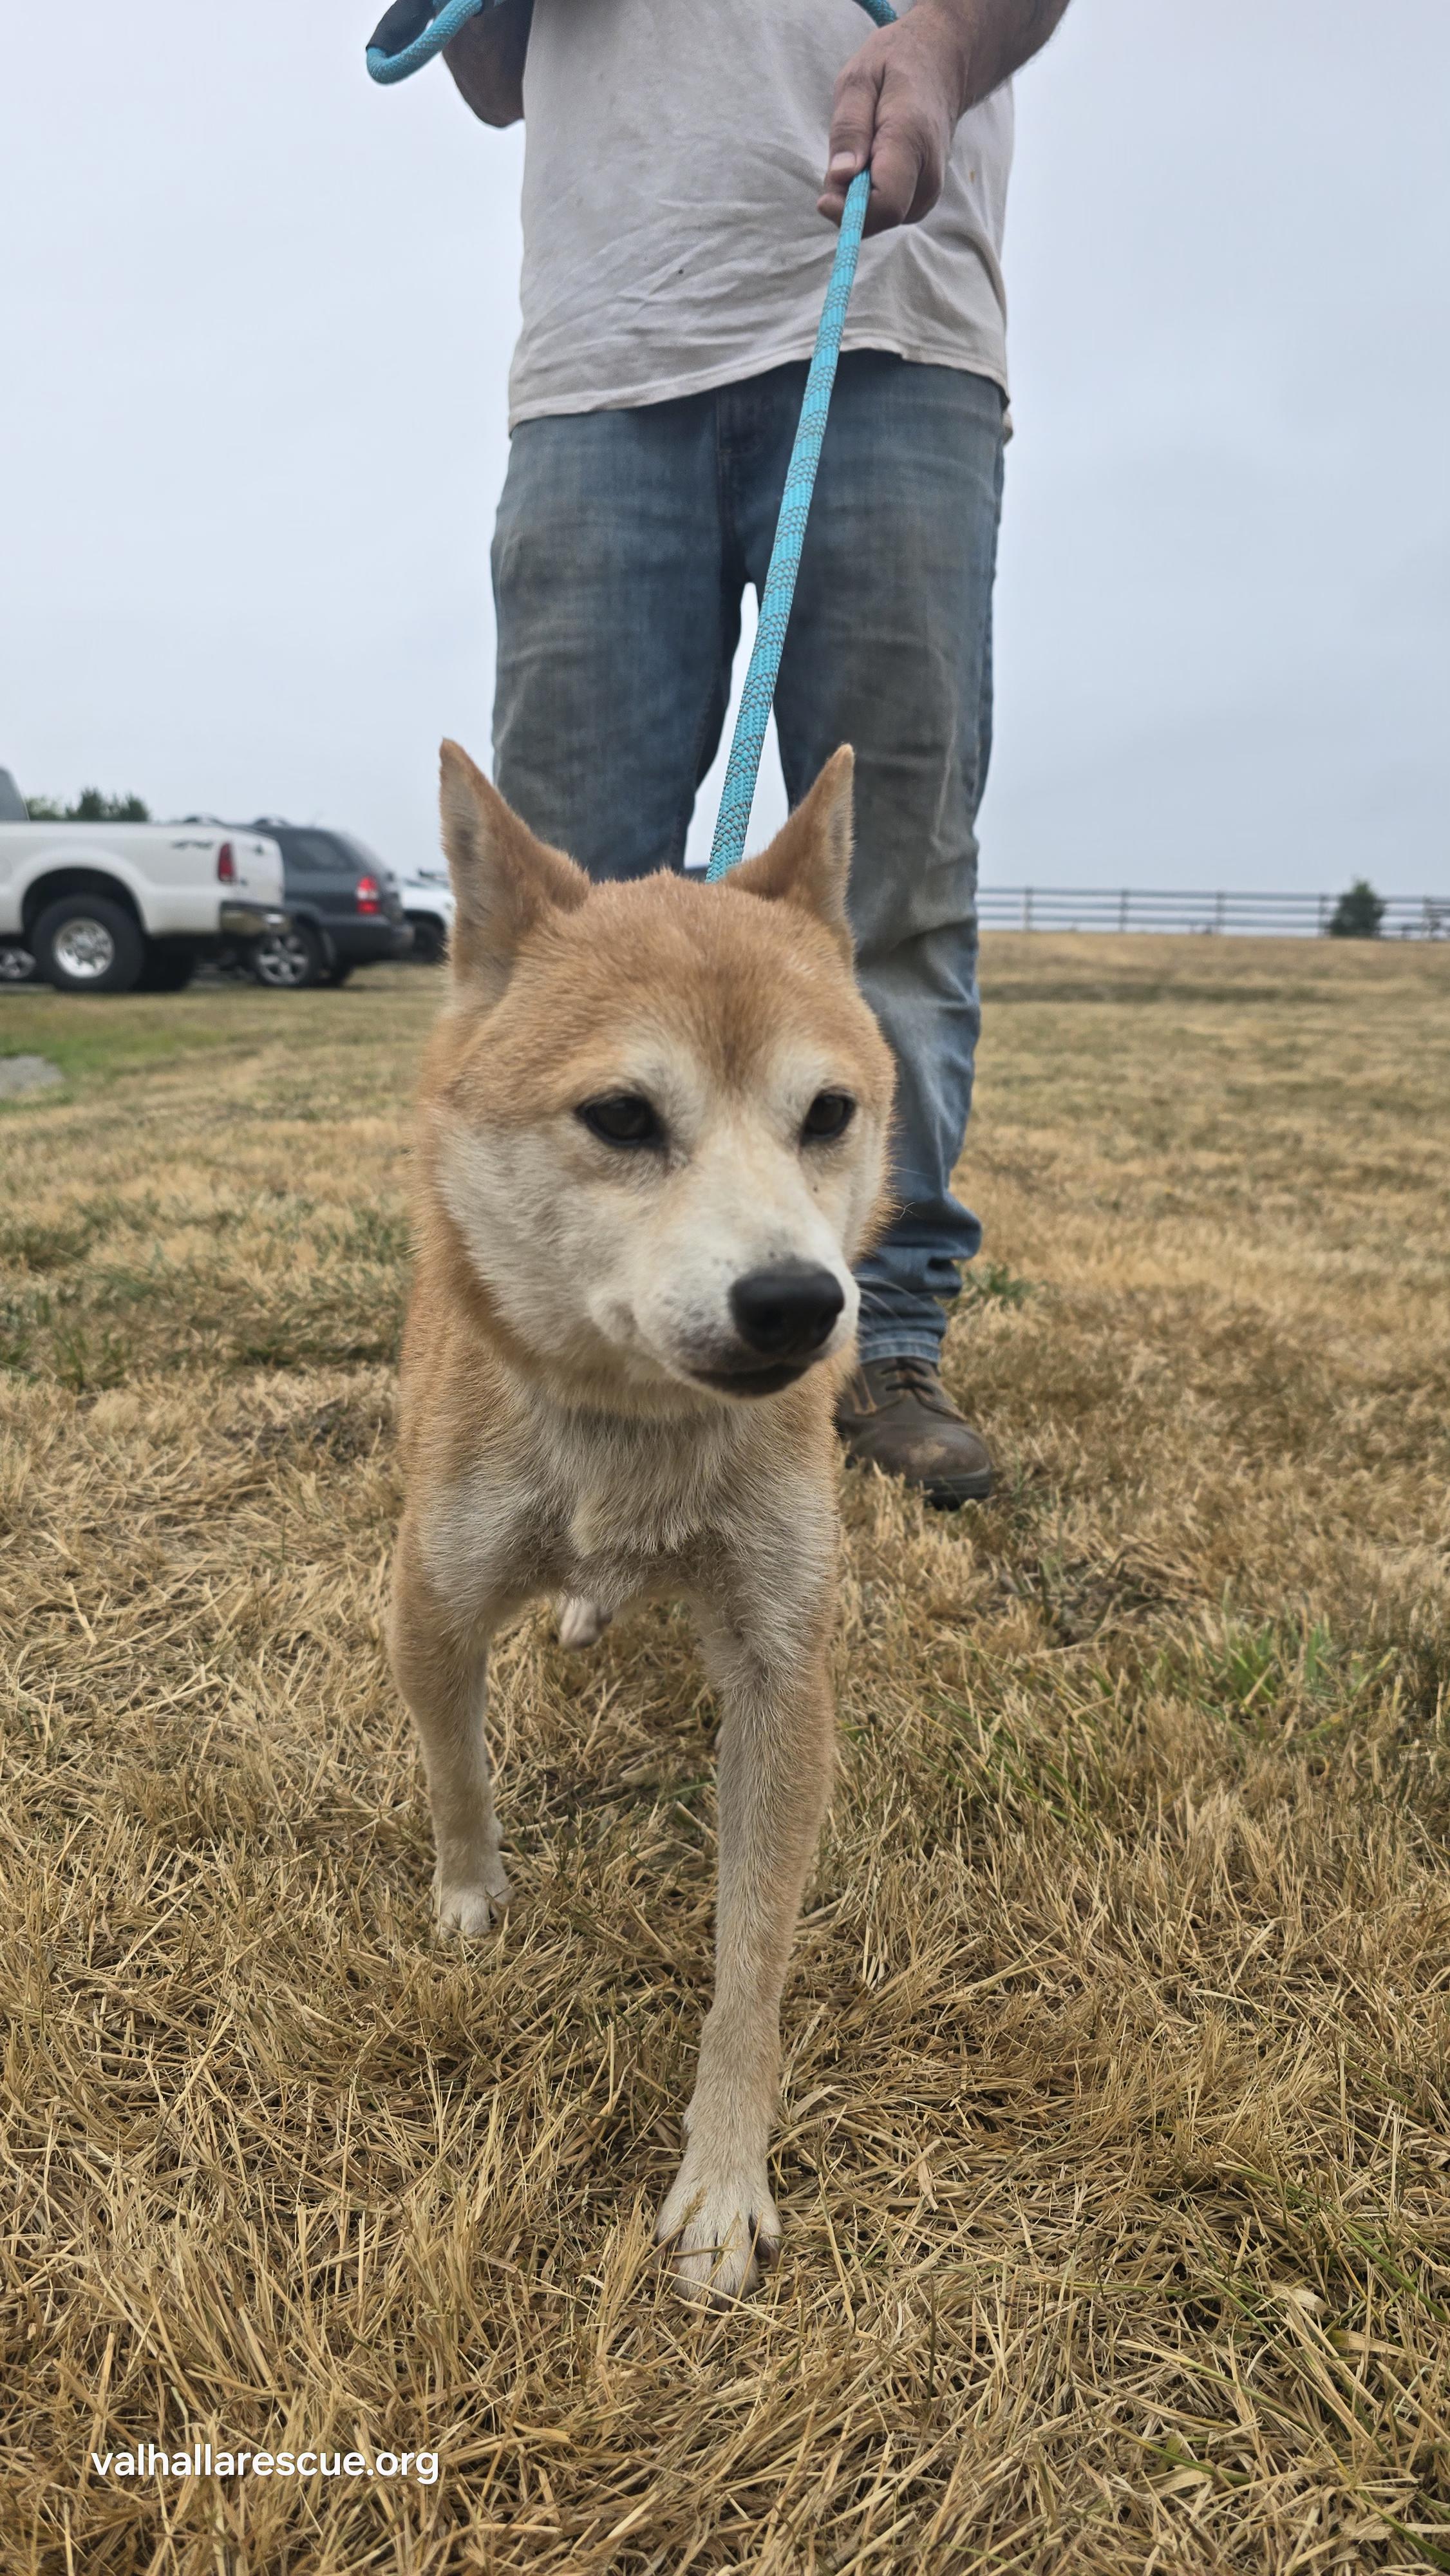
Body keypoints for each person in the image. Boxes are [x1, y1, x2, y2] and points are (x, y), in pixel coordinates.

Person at [442, 0, 1071, 1507]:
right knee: (539, 946)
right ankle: (515, 1346)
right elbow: (480, 73)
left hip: (894, 319)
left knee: (890, 897)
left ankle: (883, 1336)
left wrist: (938, 49)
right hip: (607, 344)